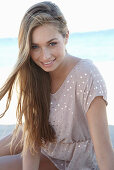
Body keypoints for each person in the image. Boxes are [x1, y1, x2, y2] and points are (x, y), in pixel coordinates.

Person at [0, 1, 114, 170]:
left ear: (66, 36)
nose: (44, 56)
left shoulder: (87, 75)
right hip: (41, 139)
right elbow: (33, 142)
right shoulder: (33, 73)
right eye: (35, 47)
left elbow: (104, 151)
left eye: (52, 43)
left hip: (67, 157)